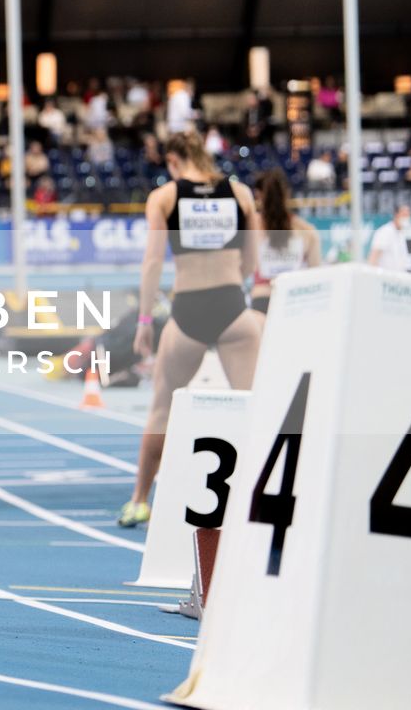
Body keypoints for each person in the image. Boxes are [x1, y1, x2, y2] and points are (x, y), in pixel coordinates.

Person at [119, 131, 264, 527]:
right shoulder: (241, 194)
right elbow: (252, 262)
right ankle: (260, 499)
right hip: (234, 308)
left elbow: (152, 264)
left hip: (188, 311)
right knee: (254, 408)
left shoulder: (165, 197)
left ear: (173, 162)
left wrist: (146, 321)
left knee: (162, 411)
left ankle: (139, 500)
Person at [250, 168, 321, 313]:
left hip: (263, 297)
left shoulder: (250, 227)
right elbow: (316, 274)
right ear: (287, 194)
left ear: (258, 195)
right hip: (294, 299)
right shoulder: (307, 230)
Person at [368, 204, 411, 270]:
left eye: (408, 215)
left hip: (399, 277)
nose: (407, 218)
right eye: (404, 215)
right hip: (386, 277)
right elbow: (373, 258)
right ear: (396, 215)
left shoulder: (400, 233)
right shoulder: (385, 232)